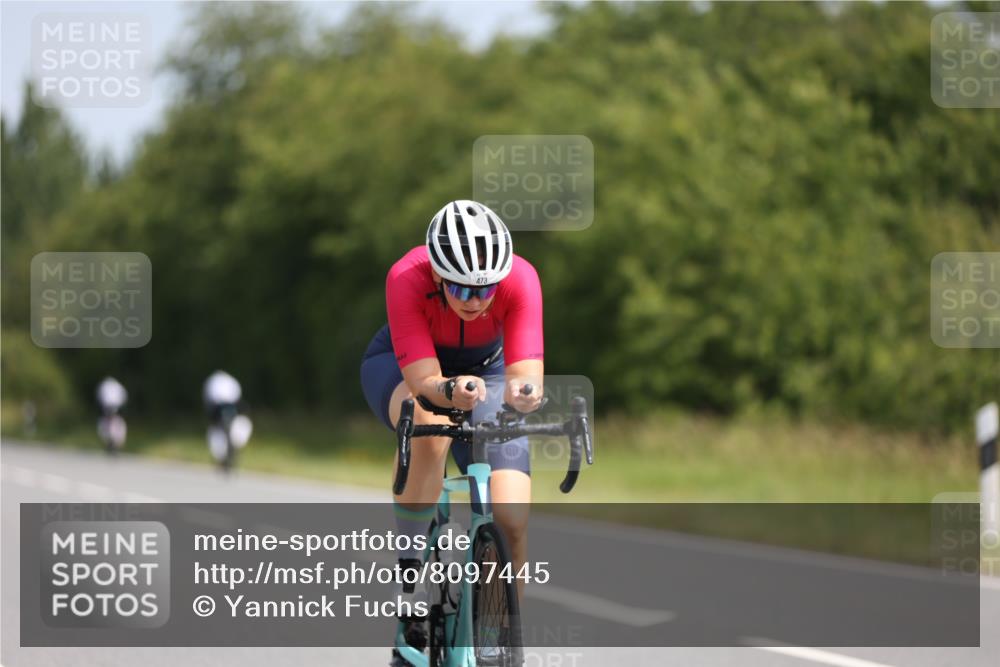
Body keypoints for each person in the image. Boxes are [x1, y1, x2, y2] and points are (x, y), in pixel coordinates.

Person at [360, 200, 544, 666]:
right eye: (460, 286)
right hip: (409, 367)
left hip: (490, 370)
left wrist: (524, 394)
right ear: (438, 276)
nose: (474, 300)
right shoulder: (406, 276)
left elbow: (526, 371)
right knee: (431, 423)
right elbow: (425, 382)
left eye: (486, 288)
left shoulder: (522, 277)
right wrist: (448, 389)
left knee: (512, 516)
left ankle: (496, 637)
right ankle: (412, 586)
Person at [203, 370, 249, 464]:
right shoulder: (217, 386)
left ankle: (230, 454)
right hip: (217, 417)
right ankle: (224, 457)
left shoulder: (240, 421)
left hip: (230, 420)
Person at [96, 377, 128, 451]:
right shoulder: (109, 386)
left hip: (114, 407)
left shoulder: (108, 386)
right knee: (106, 424)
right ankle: (111, 440)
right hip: (109, 407)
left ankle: (115, 440)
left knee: (116, 424)